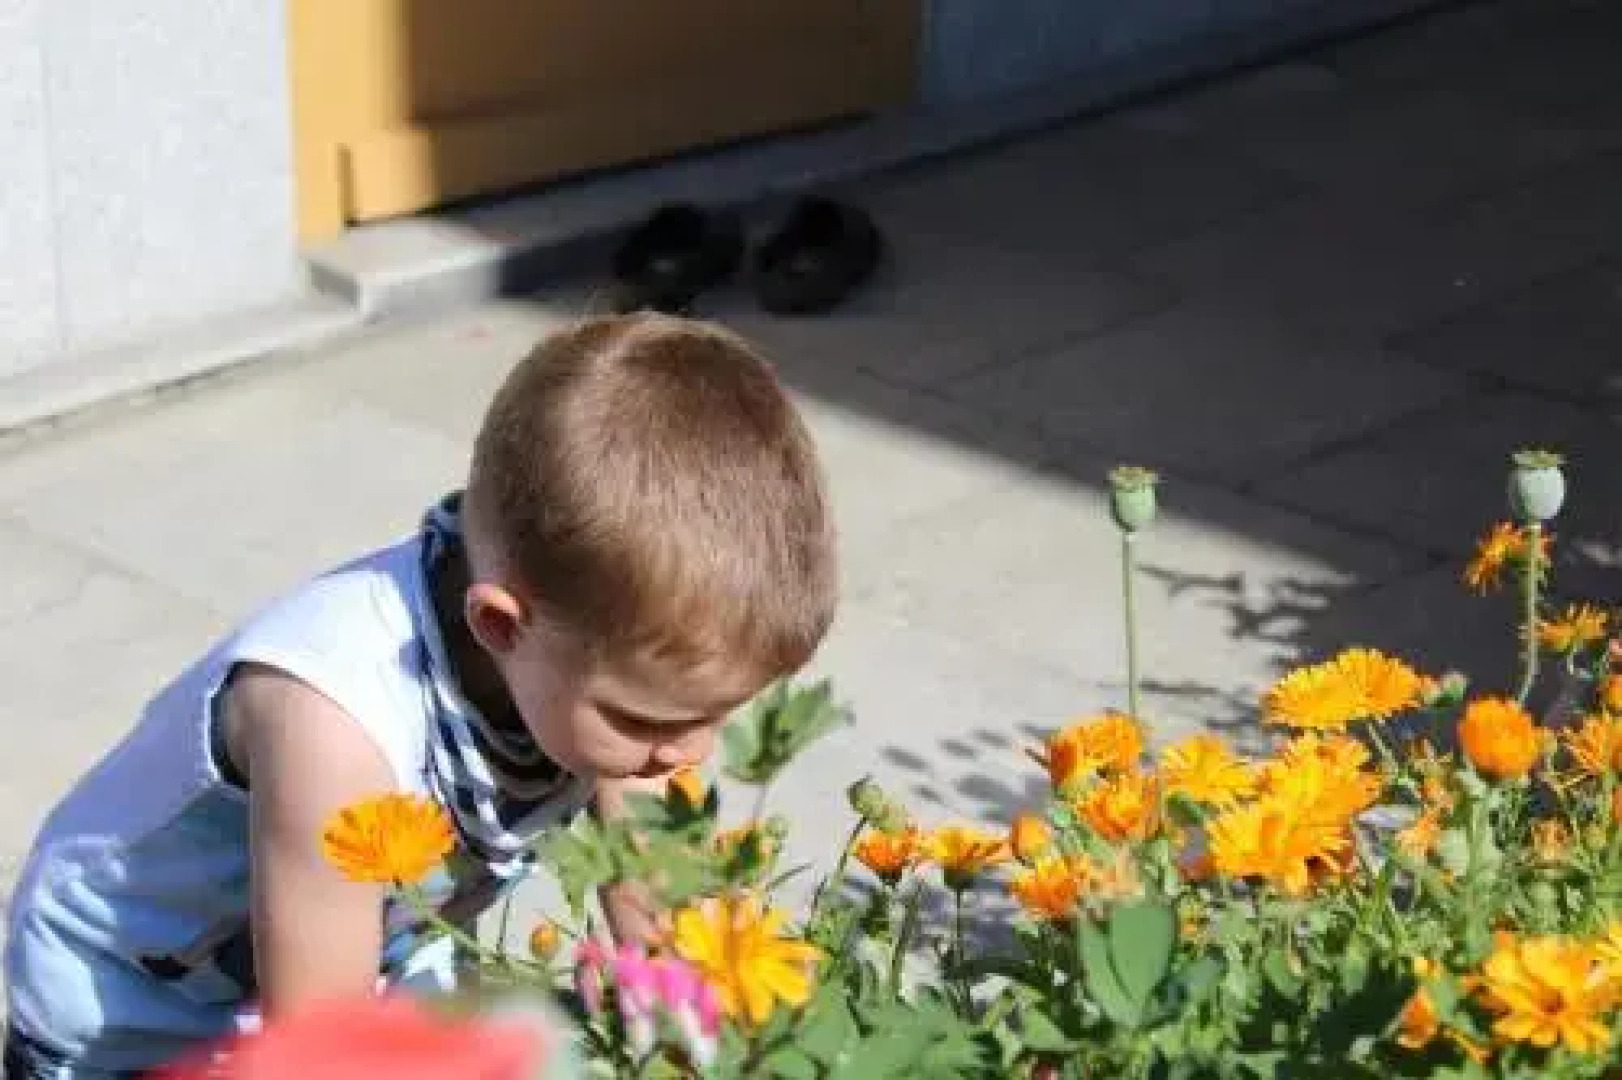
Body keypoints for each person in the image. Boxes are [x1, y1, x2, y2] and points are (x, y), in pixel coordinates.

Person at [2, 313, 838, 1079]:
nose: (688, 753)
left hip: (372, 946)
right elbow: (321, 1049)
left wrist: (696, 1029)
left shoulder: (595, 662)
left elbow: (663, 927)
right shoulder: (333, 728)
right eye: (649, 721)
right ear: (501, 626)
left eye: (715, 716)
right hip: (130, 1013)